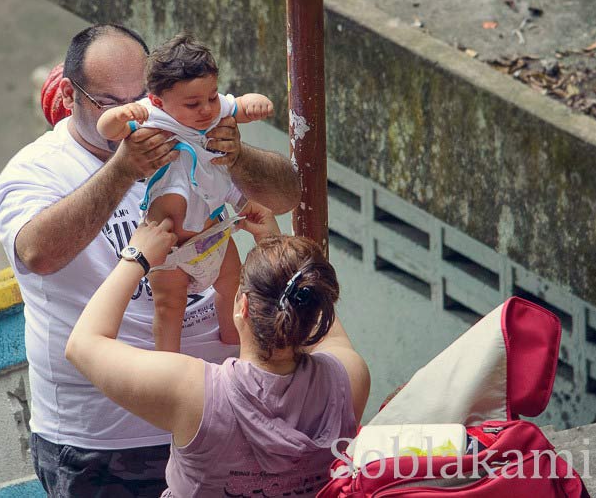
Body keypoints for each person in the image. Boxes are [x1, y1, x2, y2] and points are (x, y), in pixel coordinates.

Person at [0, 23, 300, 496]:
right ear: (74, 97)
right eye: (115, 106)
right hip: (109, 438)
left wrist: (238, 158)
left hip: (217, 415)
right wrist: (124, 169)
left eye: (144, 99)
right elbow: (38, 253)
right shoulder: (37, 171)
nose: (137, 118)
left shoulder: (188, 127)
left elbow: (285, 195)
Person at [65, 203, 371, 496]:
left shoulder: (196, 394)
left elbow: (82, 344)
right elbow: (321, 324)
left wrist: (136, 256)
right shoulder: (348, 380)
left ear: (243, 306)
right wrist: (275, 244)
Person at [97, 33, 275, 353]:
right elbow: (107, 130)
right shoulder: (151, 116)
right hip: (170, 249)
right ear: (157, 100)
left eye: (211, 96)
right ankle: (168, 362)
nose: (206, 109)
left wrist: (256, 103)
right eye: (193, 104)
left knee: (234, 290)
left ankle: (235, 344)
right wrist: (118, 117)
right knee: (169, 308)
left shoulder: (215, 109)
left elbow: (240, 107)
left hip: (214, 238)